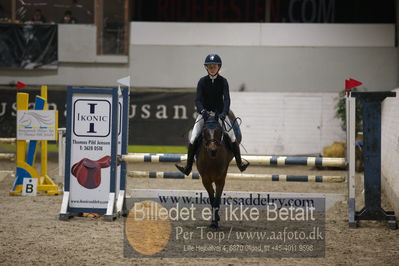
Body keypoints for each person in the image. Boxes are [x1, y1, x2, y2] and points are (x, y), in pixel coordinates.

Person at [175, 54, 249, 175]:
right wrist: (203, 111)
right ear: (206, 68)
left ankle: (240, 164)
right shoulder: (202, 81)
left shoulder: (223, 82)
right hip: (205, 114)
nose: (212, 68)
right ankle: (188, 167)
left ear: (218, 67)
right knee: (193, 138)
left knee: (232, 137)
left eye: (214, 66)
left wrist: (224, 113)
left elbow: (227, 100)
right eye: (209, 66)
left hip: (220, 114)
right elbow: (198, 100)